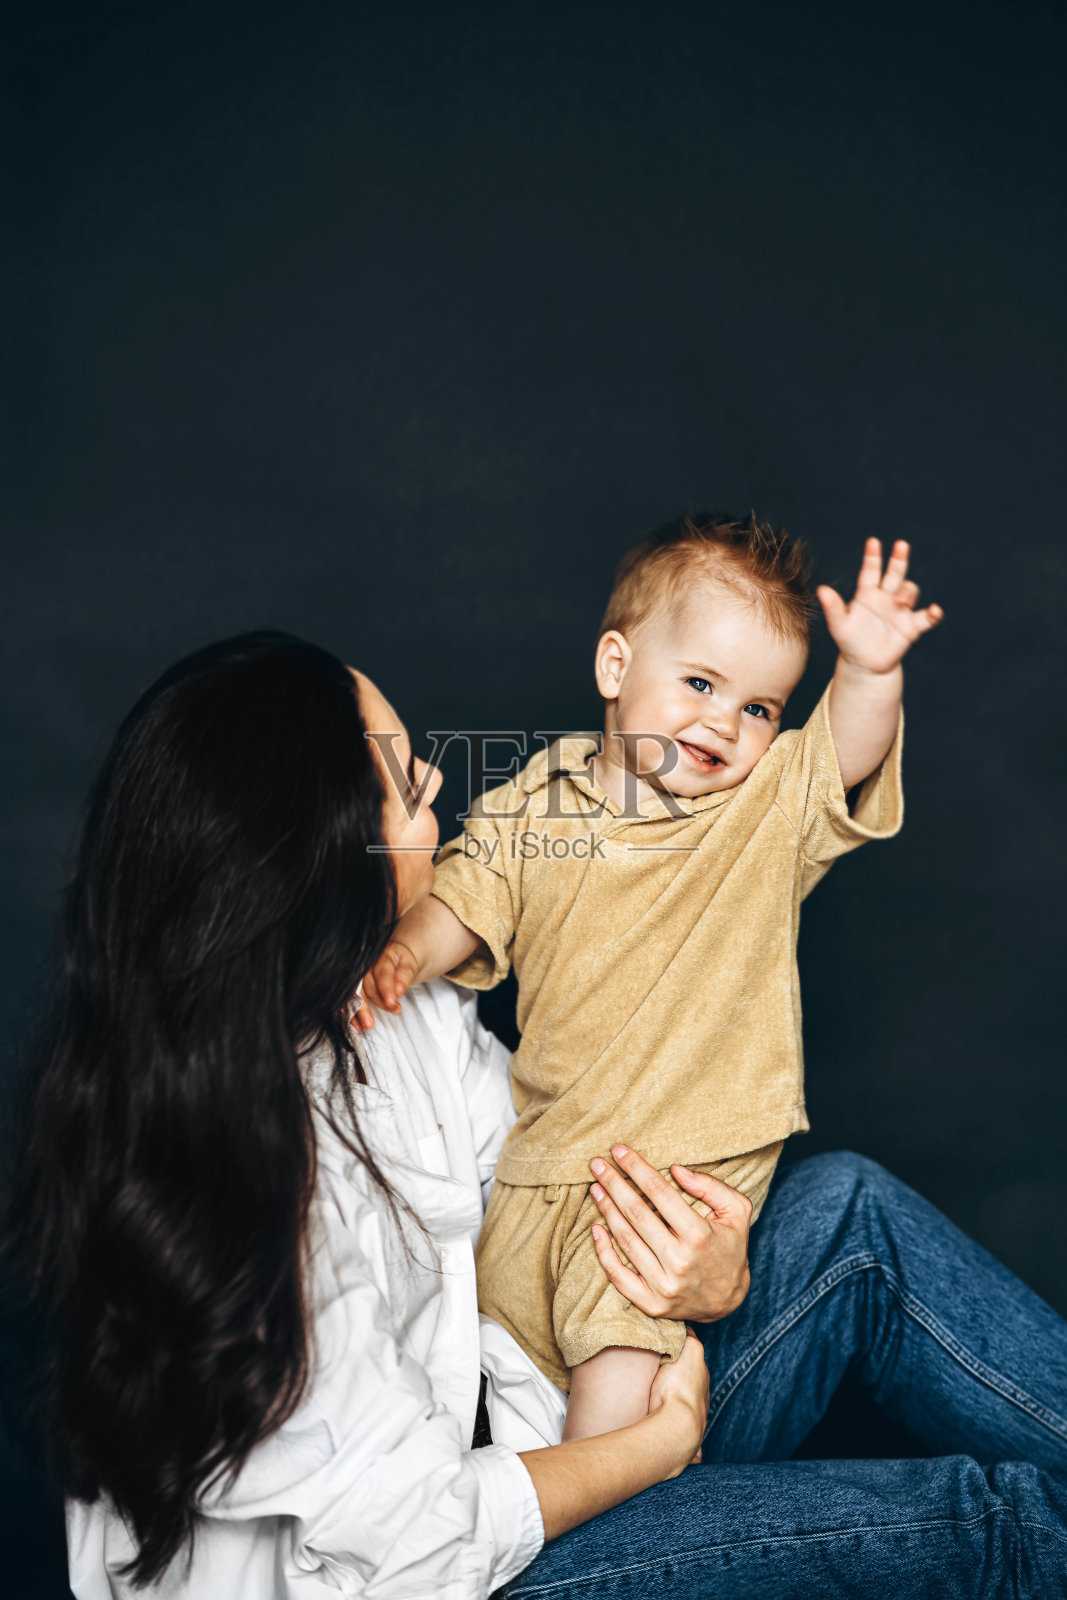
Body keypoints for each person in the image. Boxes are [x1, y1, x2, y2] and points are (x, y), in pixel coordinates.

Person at [4, 631, 1067, 1600]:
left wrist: (705, 1265)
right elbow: (417, 1545)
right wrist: (653, 1447)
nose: (434, 789)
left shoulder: (394, 1015)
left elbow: (563, 1168)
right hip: (439, 1578)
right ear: (319, 851)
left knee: (847, 1214)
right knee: (985, 1523)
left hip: (535, 1448)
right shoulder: (235, 1179)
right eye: (401, 781)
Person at [360, 514, 943, 1438]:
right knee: (508, 1392)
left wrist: (869, 671)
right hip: (534, 1174)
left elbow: (846, 747)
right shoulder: (536, 801)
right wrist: (400, 954)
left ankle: (609, 1525)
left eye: (758, 708)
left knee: (616, 1374)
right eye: (701, 683)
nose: (724, 721)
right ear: (615, 668)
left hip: (667, 1186)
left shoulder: (760, 810)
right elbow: (466, 898)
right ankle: (565, 1558)